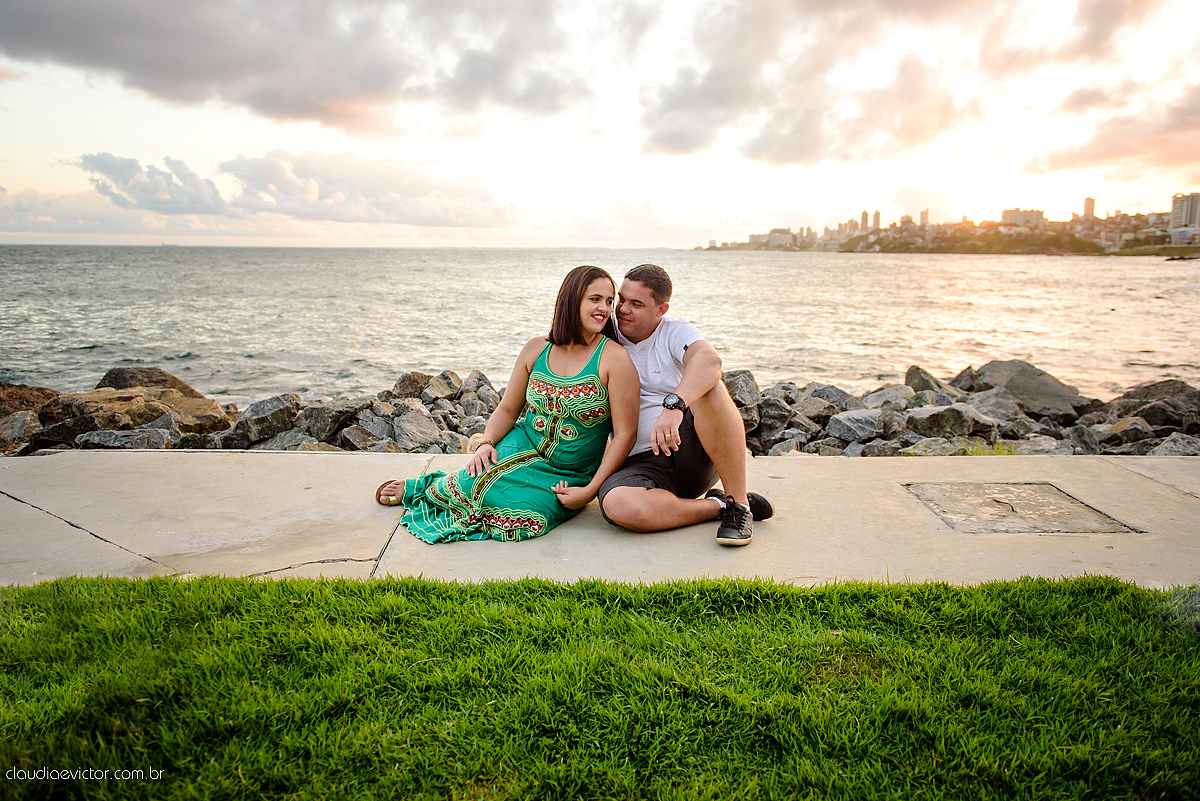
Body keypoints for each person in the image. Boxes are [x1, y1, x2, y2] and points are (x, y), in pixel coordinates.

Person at [374, 265, 639, 543]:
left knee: (518, 518)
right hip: (522, 441)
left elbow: (625, 434)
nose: (605, 309)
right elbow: (508, 409)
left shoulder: (614, 359)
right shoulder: (537, 348)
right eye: (595, 299)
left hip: (570, 470)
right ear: (571, 299)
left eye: (609, 301)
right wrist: (487, 443)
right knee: (474, 480)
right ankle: (429, 486)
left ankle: (454, 487)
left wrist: (590, 490)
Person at [597, 263, 773, 546]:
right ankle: (718, 507)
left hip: (689, 454)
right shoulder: (605, 334)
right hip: (638, 464)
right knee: (621, 507)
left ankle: (739, 505)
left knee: (710, 386)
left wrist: (674, 406)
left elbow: (709, 360)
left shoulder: (673, 332)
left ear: (661, 310)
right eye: (621, 299)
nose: (622, 310)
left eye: (636, 304)